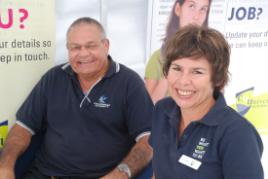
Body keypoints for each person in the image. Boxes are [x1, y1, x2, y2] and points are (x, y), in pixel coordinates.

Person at [0, 17, 153, 179]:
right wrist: (5, 165)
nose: (83, 53)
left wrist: (120, 174)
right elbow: (23, 127)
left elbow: (149, 140)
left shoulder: (129, 82)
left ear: (106, 45)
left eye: (90, 46)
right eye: (75, 47)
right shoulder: (54, 78)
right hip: (46, 175)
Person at [150, 25, 264, 179]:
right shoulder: (162, 110)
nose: (183, 81)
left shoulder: (238, 134)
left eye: (197, 72)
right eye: (177, 68)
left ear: (217, 79)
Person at [145, 0, 211, 103]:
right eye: (192, 6)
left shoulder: (211, 56)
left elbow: (216, 102)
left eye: (203, 9)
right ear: (178, 9)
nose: (196, 16)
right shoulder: (158, 58)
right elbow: (148, 107)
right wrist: (171, 67)